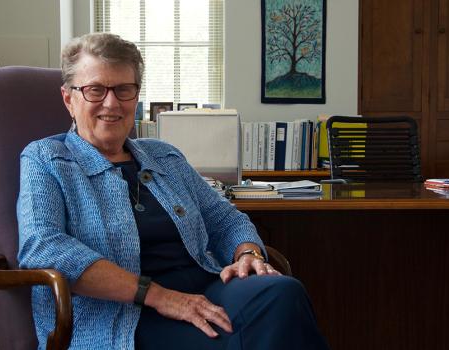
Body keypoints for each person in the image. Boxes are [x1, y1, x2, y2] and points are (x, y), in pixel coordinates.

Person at [17, 32, 330, 350]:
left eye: (123, 89)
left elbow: (224, 219)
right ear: (69, 98)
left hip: (207, 290)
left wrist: (247, 253)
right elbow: (43, 247)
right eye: (95, 90)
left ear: (135, 97)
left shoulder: (164, 156)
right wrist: (160, 297)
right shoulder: (47, 159)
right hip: (124, 317)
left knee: (283, 293)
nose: (111, 103)